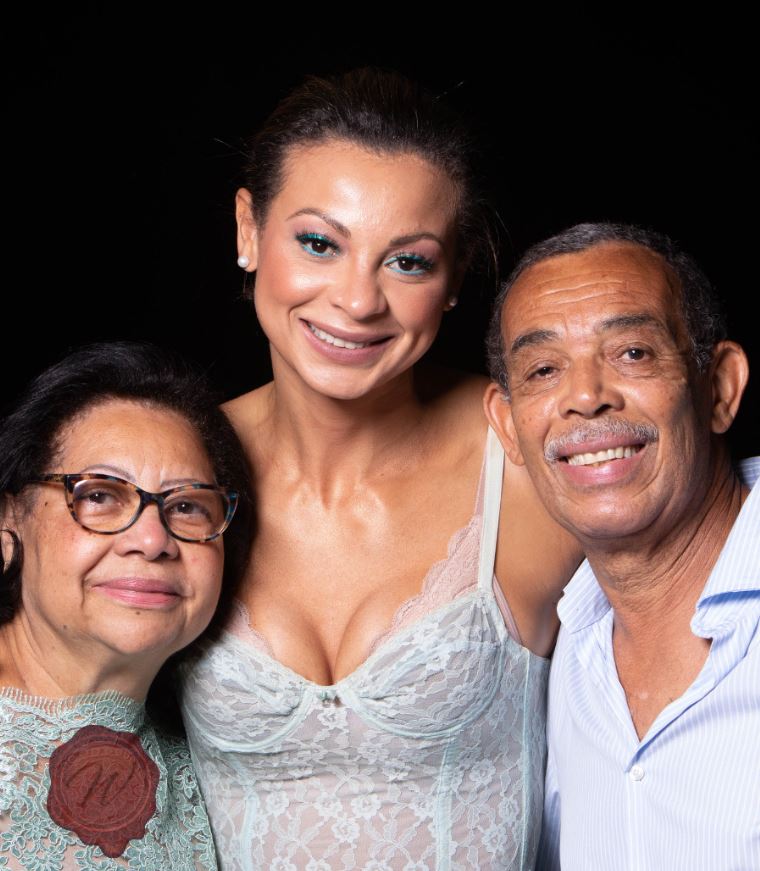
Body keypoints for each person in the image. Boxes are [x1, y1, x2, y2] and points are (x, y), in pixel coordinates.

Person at [178, 69, 581, 869]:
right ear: (248, 230)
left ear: (456, 275)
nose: (358, 300)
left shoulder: (528, 461)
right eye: (319, 243)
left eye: (408, 262)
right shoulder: (171, 468)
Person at [484, 222, 758, 871]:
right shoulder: (561, 657)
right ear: (509, 426)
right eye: (544, 368)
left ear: (718, 387)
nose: (586, 397)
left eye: (632, 352)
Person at [0, 342, 251, 871]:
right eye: (99, 496)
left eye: (186, 506)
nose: (151, 539)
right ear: (9, 524)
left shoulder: (216, 765)